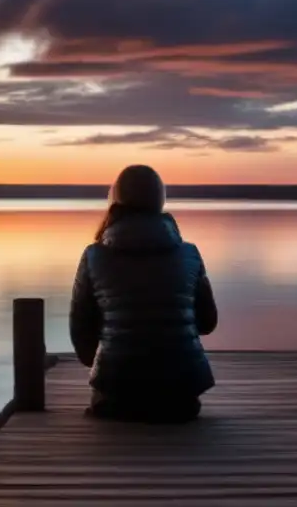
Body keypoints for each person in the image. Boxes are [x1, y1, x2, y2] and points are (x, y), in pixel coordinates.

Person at [69, 164, 218, 423]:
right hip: (181, 398)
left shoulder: (94, 256)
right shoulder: (190, 254)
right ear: (160, 201)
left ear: (115, 200)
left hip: (116, 398)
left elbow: (81, 338)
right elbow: (207, 323)